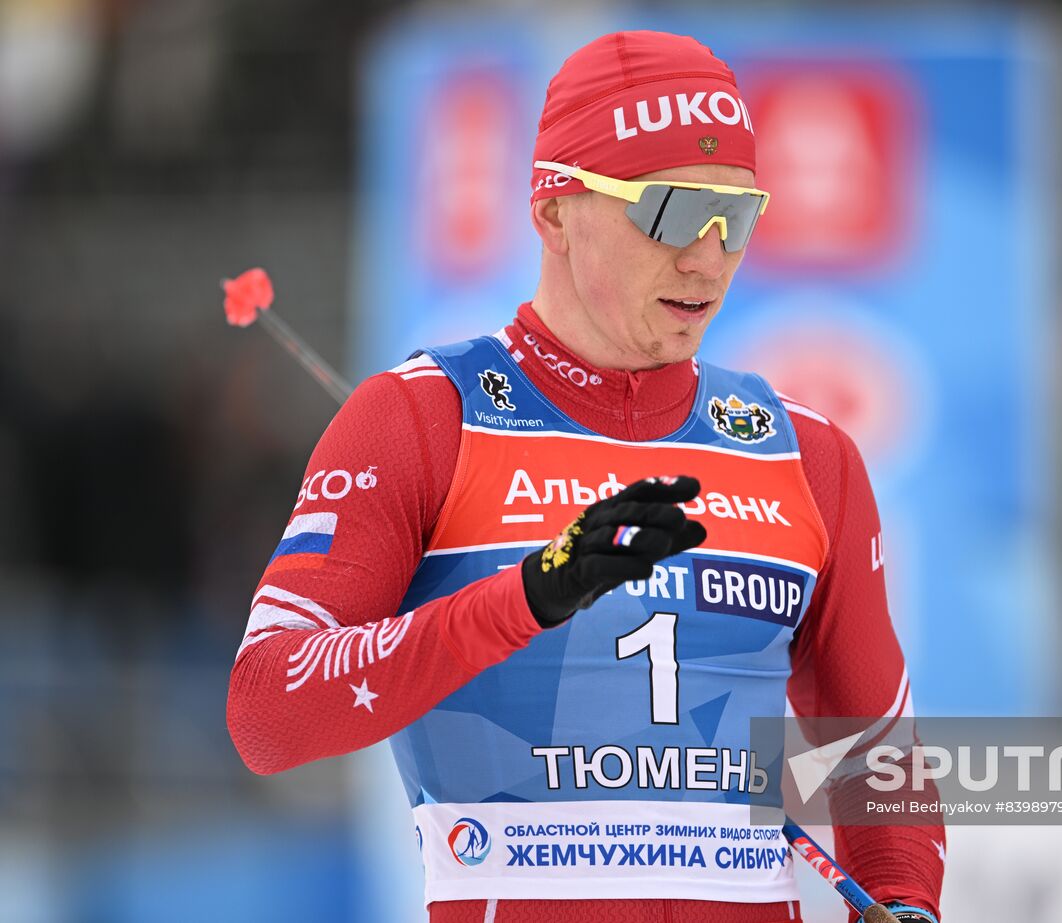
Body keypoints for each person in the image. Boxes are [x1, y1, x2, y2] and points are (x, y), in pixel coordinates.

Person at [227, 29, 945, 923]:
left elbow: (877, 755)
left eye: (740, 215)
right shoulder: (423, 419)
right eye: (672, 211)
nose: (708, 256)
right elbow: (267, 711)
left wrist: (909, 899)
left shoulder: (805, 453)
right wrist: (528, 595)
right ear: (554, 208)